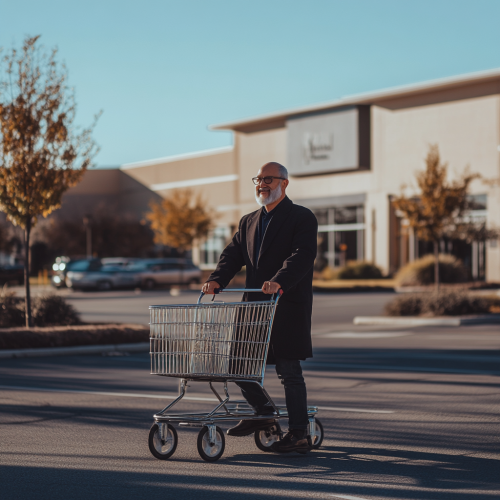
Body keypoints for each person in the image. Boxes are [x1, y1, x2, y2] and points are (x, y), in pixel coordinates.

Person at [202, 161, 318, 453]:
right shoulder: (249, 221)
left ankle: (299, 434)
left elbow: (302, 255)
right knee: (239, 363)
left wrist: (279, 281)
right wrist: (217, 279)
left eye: (268, 179)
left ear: (284, 183)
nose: (262, 184)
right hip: (254, 307)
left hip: (286, 304)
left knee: (289, 370)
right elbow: (232, 255)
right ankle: (264, 412)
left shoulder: (301, 217)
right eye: (258, 179)